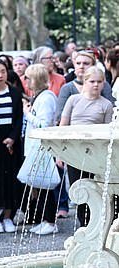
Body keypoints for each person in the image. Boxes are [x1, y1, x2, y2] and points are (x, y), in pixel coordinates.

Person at [60, 67, 114, 227]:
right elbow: (63, 126)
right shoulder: (74, 100)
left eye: (99, 82)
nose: (95, 85)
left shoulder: (106, 105)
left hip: (95, 153)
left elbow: (108, 132)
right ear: (85, 82)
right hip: (73, 152)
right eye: (92, 81)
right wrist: (59, 154)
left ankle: (96, 223)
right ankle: (83, 224)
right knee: (78, 187)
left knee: (95, 190)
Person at [0, 59, 24, 234]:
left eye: (3, 71)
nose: (0, 75)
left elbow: (18, 119)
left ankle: (7, 216)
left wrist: (12, 138)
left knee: (11, 179)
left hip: (11, 141)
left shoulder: (15, 93)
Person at [22, 64, 59, 235]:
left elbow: (44, 124)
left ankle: (50, 221)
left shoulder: (46, 98)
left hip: (42, 148)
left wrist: (27, 114)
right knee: (38, 185)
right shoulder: (39, 96)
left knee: (45, 186)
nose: (25, 80)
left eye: (28, 77)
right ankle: (44, 219)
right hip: (35, 147)